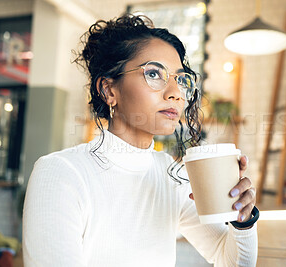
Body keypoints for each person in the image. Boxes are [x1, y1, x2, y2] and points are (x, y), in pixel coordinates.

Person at [22, 14, 258, 267]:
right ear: (109, 90)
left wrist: (242, 219)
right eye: (154, 73)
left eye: (181, 79)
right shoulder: (61, 172)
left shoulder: (172, 175)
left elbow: (231, 261)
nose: (176, 93)